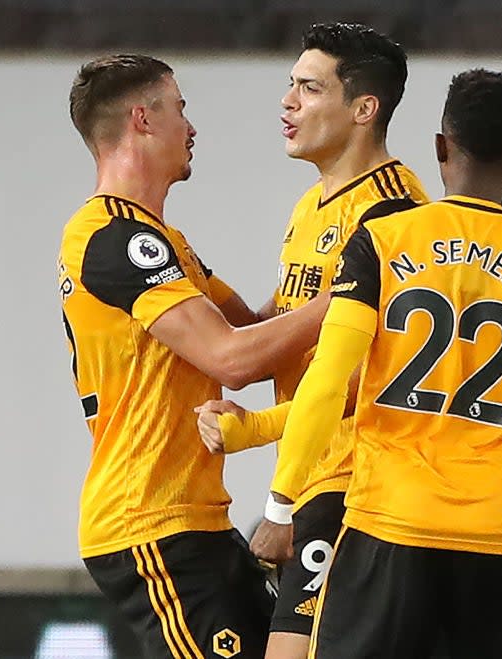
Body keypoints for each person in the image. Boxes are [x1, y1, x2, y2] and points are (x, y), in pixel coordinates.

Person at [209, 68, 502, 659]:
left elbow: (327, 380)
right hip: (501, 539)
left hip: (386, 527)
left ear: (440, 146)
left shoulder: (383, 240)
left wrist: (280, 508)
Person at [59, 54, 329, 658]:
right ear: (142, 120)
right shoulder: (113, 240)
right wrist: (351, 295)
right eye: (180, 108)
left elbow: (259, 327)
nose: (191, 126)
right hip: (150, 522)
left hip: (192, 521)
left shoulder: (157, 239)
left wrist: (321, 275)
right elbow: (233, 358)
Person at [194, 22, 428, 659]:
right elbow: (278, 323)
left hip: (358, 480)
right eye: (289, 85)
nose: (287, 103)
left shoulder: (392, 215)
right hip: (315, 477)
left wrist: (257, 428)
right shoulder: (312, 205)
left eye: (308, 88)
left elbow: (373, 378)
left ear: (363, 108)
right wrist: (183, 280)